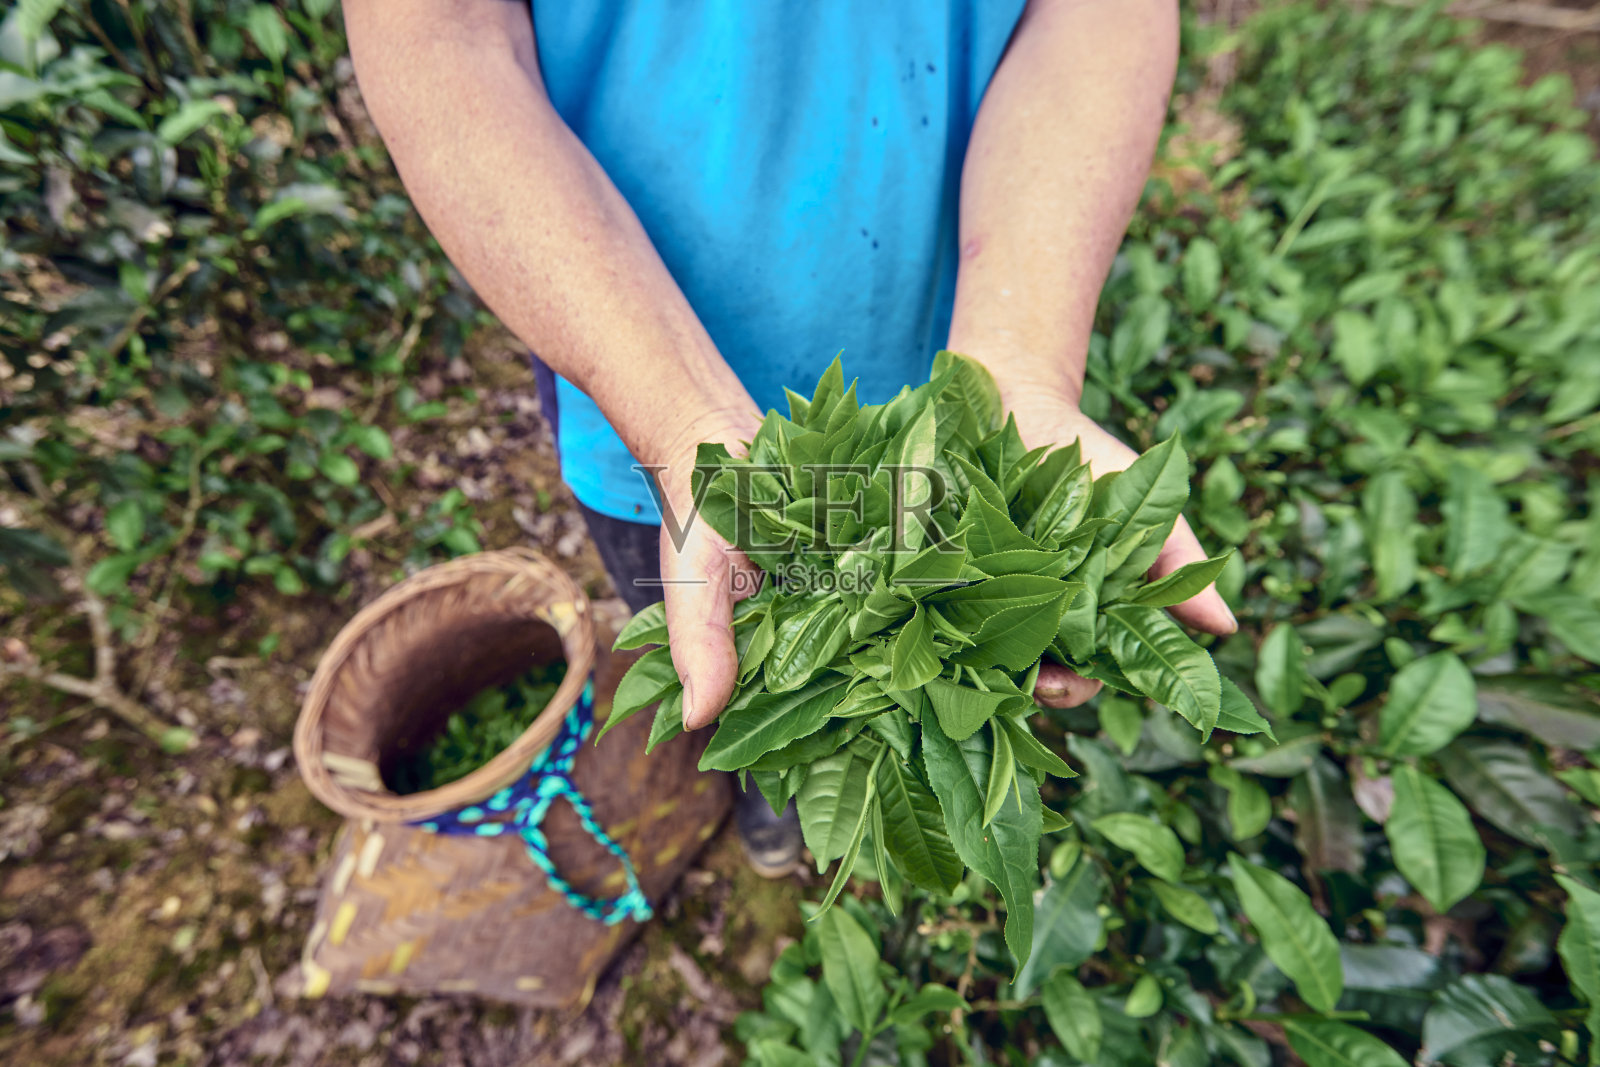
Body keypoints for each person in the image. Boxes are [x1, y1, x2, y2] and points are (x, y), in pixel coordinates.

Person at [344, 0, 1234, 876]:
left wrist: (1022, 368)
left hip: (955, 353)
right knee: (716, 643)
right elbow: (439, 35)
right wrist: (683, 424)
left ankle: (800, 779)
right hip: (637, 370)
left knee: (850, 669)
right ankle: (760, 770)